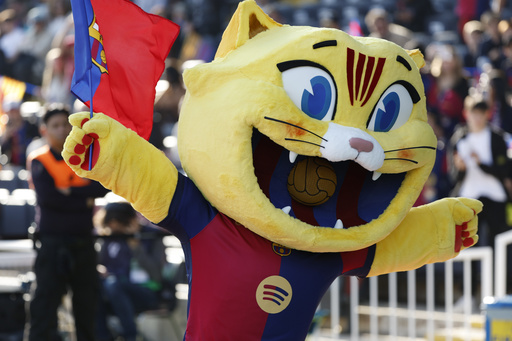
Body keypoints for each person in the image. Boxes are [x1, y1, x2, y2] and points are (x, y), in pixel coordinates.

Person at [26, 103, 109, 341]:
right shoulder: (39, 159)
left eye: (66, 124)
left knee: (87, 308)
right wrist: (84, 198)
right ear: (45, 130)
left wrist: (68, 193)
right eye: (56, 125)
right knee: (44, 307)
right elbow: (50, 199)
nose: (62, 130)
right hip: (52, 245)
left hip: (83, 242)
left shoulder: (87, 156)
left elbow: (101, 188)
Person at [94, 202, 167, 341]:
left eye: (117, 224)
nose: (112, 228)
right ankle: (102, 337)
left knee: (113, 285)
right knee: (95, 286)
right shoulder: (110, 237)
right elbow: (100, 263)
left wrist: (136, 246)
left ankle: (130, 336)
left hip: (147, 292)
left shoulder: (152, 236)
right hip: (114, 291)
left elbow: (156, 275)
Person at [449, 95, 510, 249]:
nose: (477, 118)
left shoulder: (497, 138)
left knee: (497, 241)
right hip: (468, 196)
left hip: (495, 195)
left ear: (487, 114)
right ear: (466, 114)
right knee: (469, 241)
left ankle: (500, 273)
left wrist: (481, 164)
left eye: (481, 113)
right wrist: (460, 169)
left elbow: (504, 171)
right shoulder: (459, 139)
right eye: (473, 113)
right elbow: (454, 175)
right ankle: (472, 274)